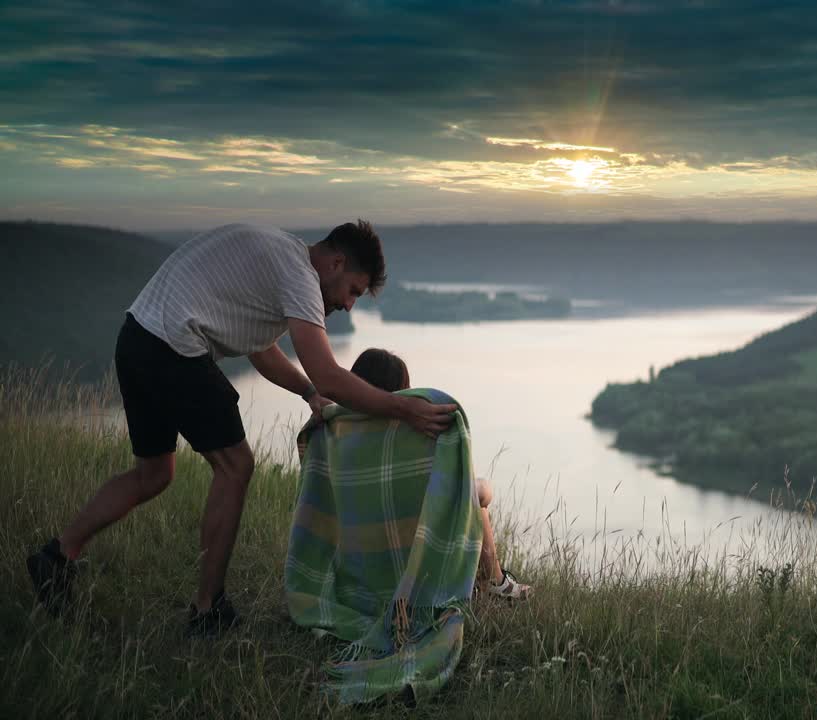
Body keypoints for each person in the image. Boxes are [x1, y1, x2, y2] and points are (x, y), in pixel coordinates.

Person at [26, 221, 459, 635]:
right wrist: (401, 410)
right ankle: (208, 610)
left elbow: (262, 351)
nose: (348, 305)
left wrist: (308, 393)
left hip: (137, 337)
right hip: (174, 346)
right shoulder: (300, 275)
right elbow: (328, 372)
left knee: (154, 472)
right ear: (336, 263)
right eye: (353, 292)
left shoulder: (279, 260)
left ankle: (57, 555)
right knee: (236, 466)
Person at [345, 348, 532, 600]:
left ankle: (494, 583)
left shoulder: (339, 434)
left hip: (356, 551)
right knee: (476, 494)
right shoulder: (408, 437)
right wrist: (482, 489)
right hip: (410, 541)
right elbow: (469, 493)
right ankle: (496, 583)